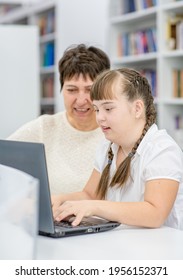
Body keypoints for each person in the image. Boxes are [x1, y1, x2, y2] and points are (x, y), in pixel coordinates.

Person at [52, 67, 183, 230]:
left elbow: (155, 213)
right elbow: (90, 195)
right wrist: (60, 200)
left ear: (137, 109)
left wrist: (95, 207)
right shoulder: (107, 148)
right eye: (97, 109)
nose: (99, 117)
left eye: (108, 109)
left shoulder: (162, 150)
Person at [7, 44, 110, 194]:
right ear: (61, 89)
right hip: (54, 217)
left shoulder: (117, 133)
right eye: (72, 90)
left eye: (90, 90)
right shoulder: (44, 128)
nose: (81, 100)